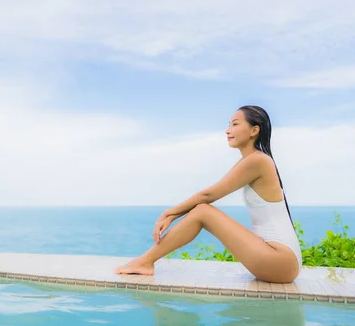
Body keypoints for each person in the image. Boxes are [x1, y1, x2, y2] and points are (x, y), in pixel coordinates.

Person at [115, 105, 302, 283]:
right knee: (201, 210)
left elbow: (207, 196)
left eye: (235, 124)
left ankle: (145, 261)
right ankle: (145, 261)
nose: (228, 130)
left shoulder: (258, 161)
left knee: (202, 211)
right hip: (279, 260)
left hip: (281, 261)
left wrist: (169, 214)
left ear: (254, 130)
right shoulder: (251, 161)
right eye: (228, 125)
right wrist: (172, 214)